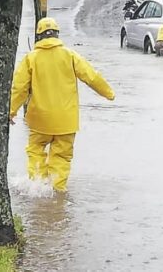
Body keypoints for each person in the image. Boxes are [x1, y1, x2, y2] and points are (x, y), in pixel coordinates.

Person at [10, 17, 115, 192]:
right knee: (61, 157)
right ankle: (57, 193)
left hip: (39, 120)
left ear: (39, 36)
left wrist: (10, 111)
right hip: (66, 121)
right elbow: (92, 77)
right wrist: (109, 93)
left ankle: (38, 187)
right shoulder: (70, 55)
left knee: (36, 151)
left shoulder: (31, 58)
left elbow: (19, 88)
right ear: (57, 34)